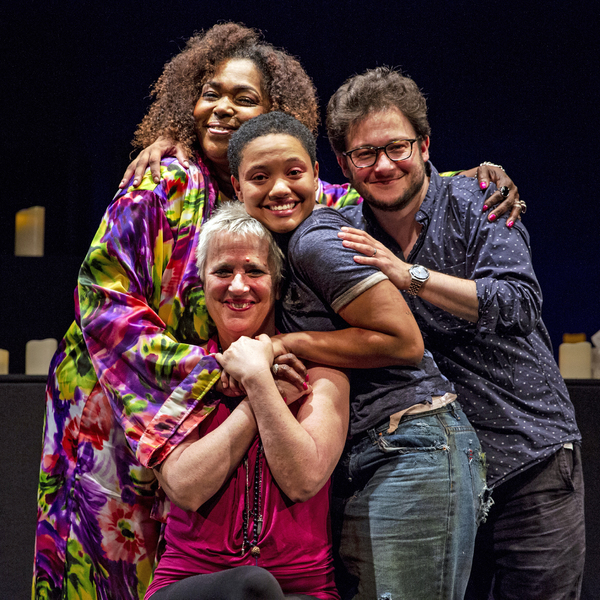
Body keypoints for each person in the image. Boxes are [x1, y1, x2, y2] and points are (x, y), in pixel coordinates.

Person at [33, 23, 323, 600]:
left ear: (274, 114)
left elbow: (357, 194)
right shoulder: (162, 179)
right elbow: (103, 299)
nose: (220, 108)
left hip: (204, 404)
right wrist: (216, 370)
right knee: (111, 555)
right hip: (115, 403)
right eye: (210, 91)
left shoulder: (263, 186)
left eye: (244, 99)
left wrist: (453, 185)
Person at [325, 66, 584, 600]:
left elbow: (518, 301)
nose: (383, 165)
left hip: (527, 456)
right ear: (344, 165)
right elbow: (278, 189)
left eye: (396, 147)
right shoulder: (344, 231)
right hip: (435, 475)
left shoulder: (480, 202)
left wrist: (410, 277)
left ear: (424, 145)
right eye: (364, 154)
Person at [226, 111, 488, 600]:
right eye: (260, 177)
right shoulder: (280, 247)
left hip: (411, 445)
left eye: (294, 172)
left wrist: (287, 344)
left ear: (317, 173)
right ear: (236, 187)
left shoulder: (314, 241)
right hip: (376, 451)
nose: (280, 188)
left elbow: (403, 342)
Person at [144, 202, 349, 600]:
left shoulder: (323, 373)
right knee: (250, 585)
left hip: (305, 587)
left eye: (254, 271)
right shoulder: (177, 373)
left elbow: (304, 479)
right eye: (223, 271)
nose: (238, 286)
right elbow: (185, 488)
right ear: (202, 283)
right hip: (192, 582)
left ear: (277, 283)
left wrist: (256, 379)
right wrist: (260, 389)